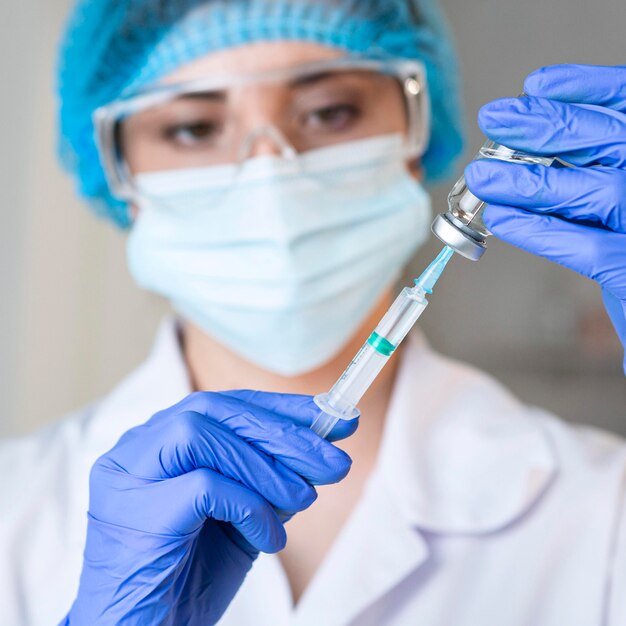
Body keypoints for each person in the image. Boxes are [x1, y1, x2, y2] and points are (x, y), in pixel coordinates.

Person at [1, 1, 625, 624]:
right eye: (193, 128)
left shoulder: (604, 510)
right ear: (120, 176)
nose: (271, 171)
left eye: (330, 112)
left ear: (416, 134)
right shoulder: (17, 512)